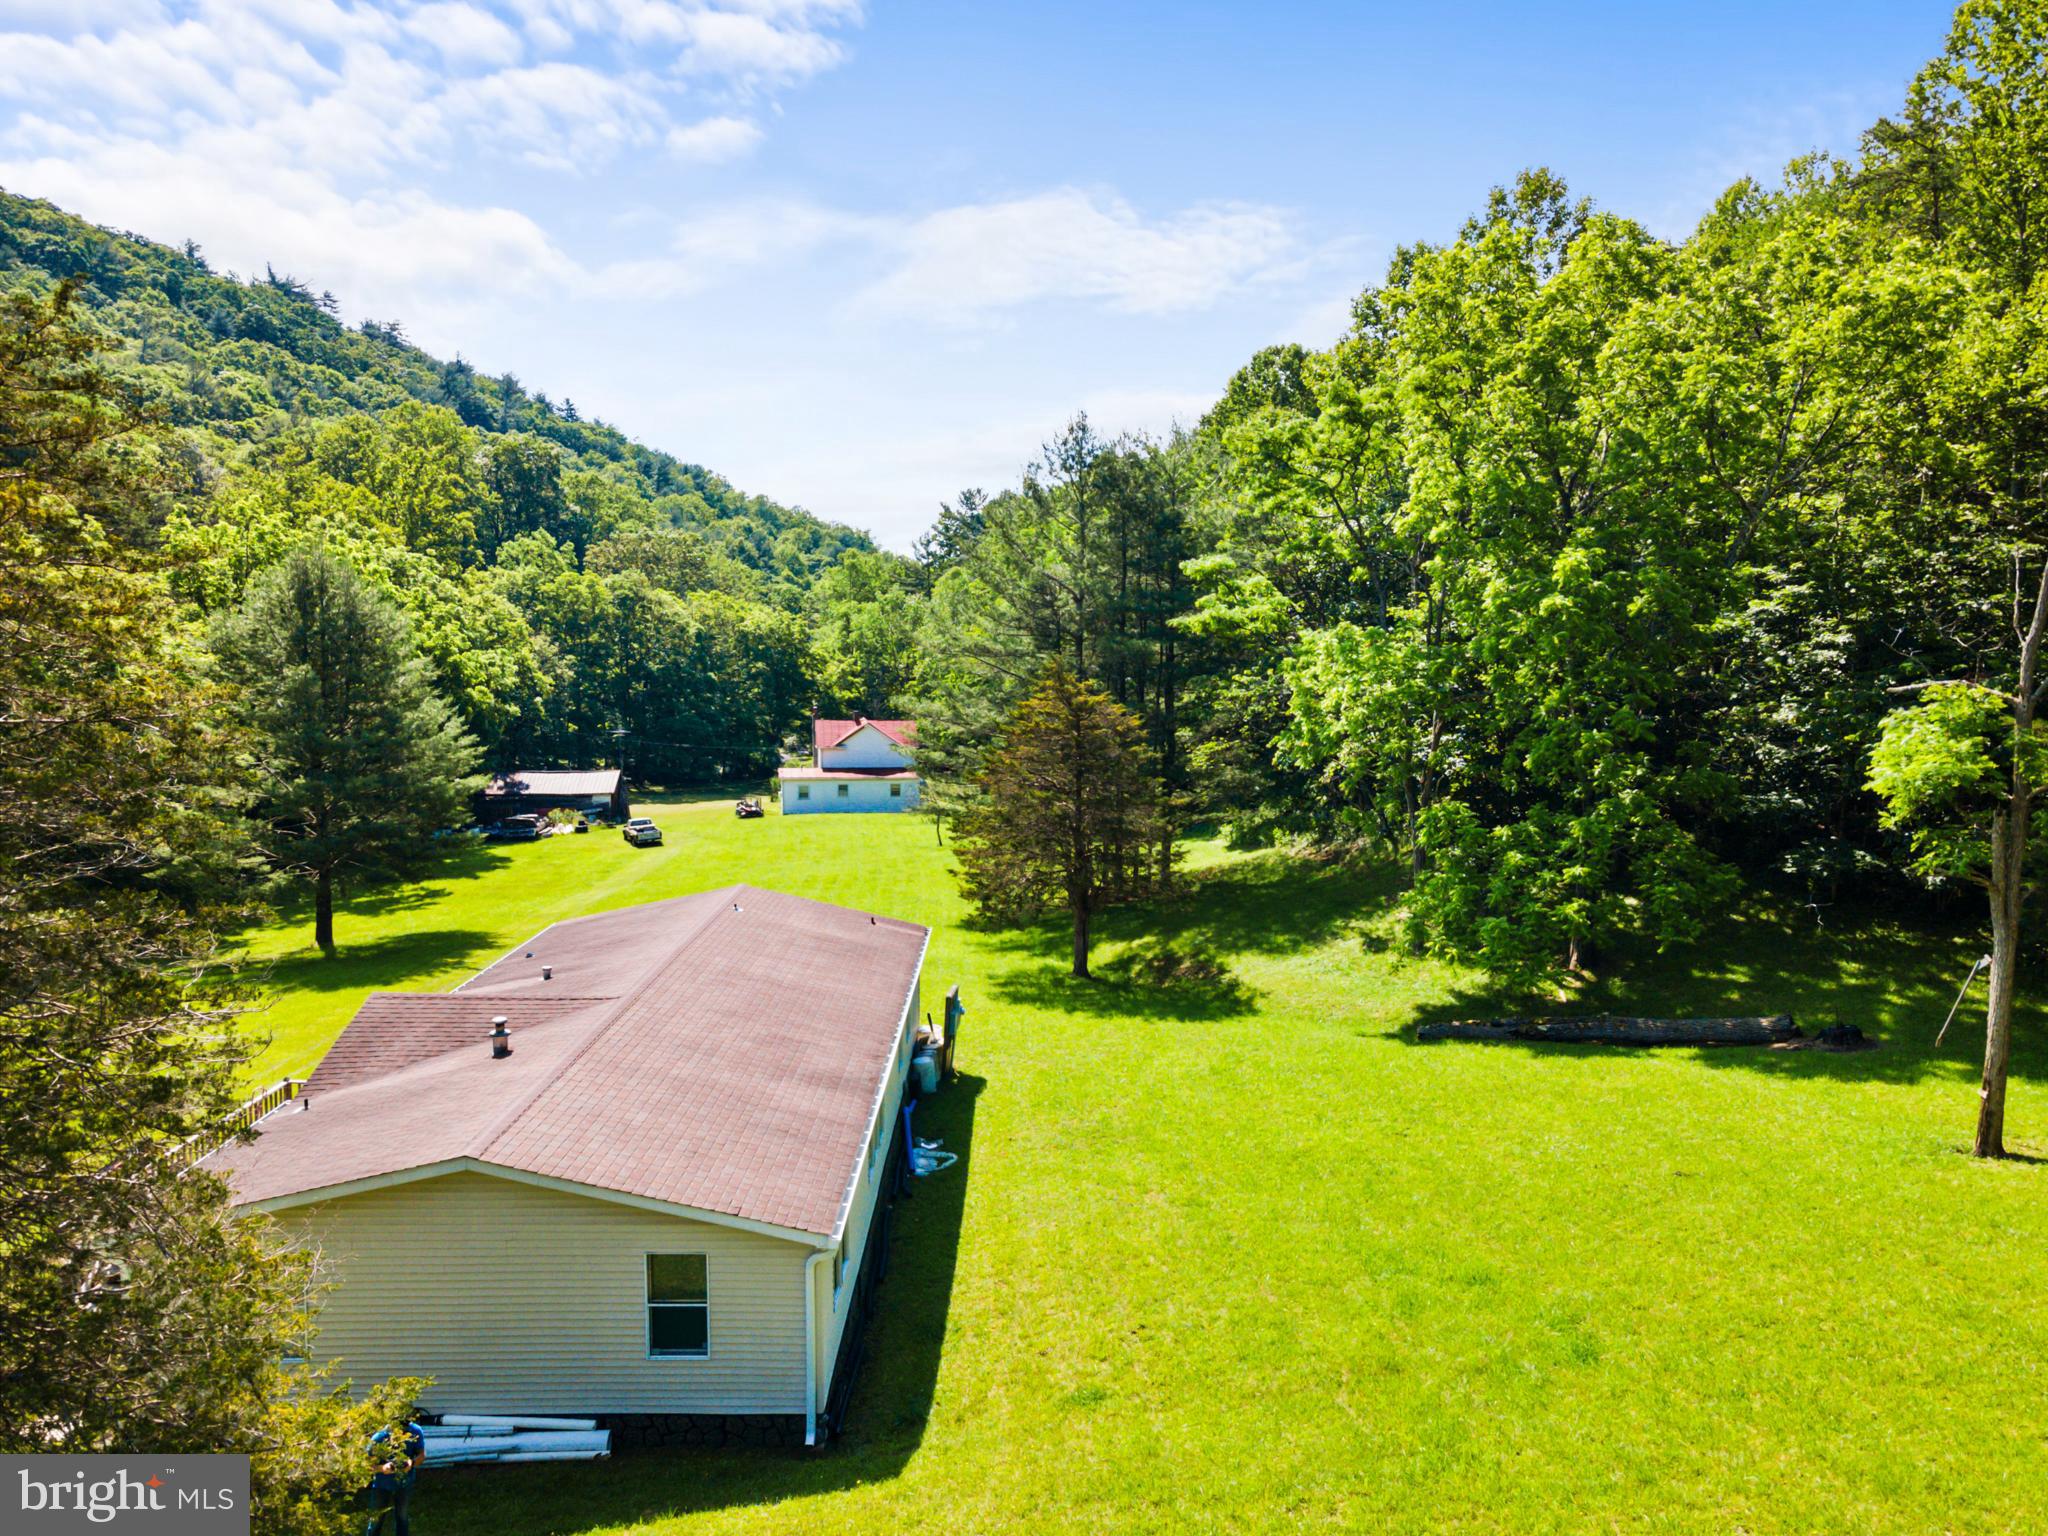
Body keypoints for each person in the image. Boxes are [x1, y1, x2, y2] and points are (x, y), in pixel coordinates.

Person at [365, 1415, 426, 1536]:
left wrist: (411, 1463)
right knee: (376, 1520)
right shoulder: (379, 1437)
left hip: (405, 1483)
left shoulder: (416, 1431)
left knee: (402, 1517)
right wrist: (382, 1468)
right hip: (382, 1485)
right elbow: (366, 1465)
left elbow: (422, 1455)